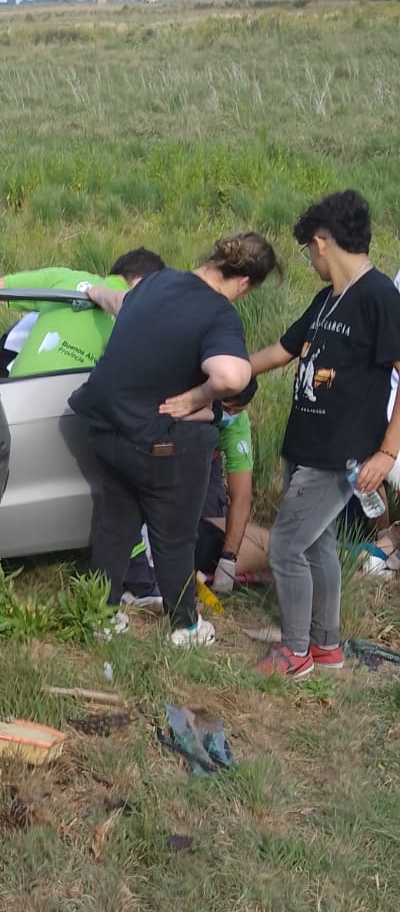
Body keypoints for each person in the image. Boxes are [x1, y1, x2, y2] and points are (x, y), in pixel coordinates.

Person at [216, 191, 400, 678]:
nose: (309, 259)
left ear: (322, 243)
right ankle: (326, 648)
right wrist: (228, 373)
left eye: (307, 250)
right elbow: (282, 350)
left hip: (340, 454)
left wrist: (386, 451)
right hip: (305, 444)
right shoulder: (326, 300)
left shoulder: (380, 297)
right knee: (317, 545)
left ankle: (293, 653)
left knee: (286, 546)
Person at [68, 232, 278, 646]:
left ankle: (100, 616)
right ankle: (184, 626)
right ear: (245, 283)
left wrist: (92, 291)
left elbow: (120, 301)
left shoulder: (158, 281)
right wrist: (198, 397)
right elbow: (233, 376)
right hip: (157, 444)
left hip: (107, 428)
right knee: (175, 536)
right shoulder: (219, 313)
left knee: (114, 527)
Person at [122, 386, 270, 603]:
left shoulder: (235, 424)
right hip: (167, 454)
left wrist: (228, 558)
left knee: (209, 540)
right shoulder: (180, 398)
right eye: (226, 407)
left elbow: (241, 496)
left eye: (237, 410)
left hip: (206, 465)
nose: (229, 414)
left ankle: (283, 555)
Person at [0, 248, 164, 377]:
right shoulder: (137, 315)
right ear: (141, 283)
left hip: (11, 398)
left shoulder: (63, 277)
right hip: (65, 416)